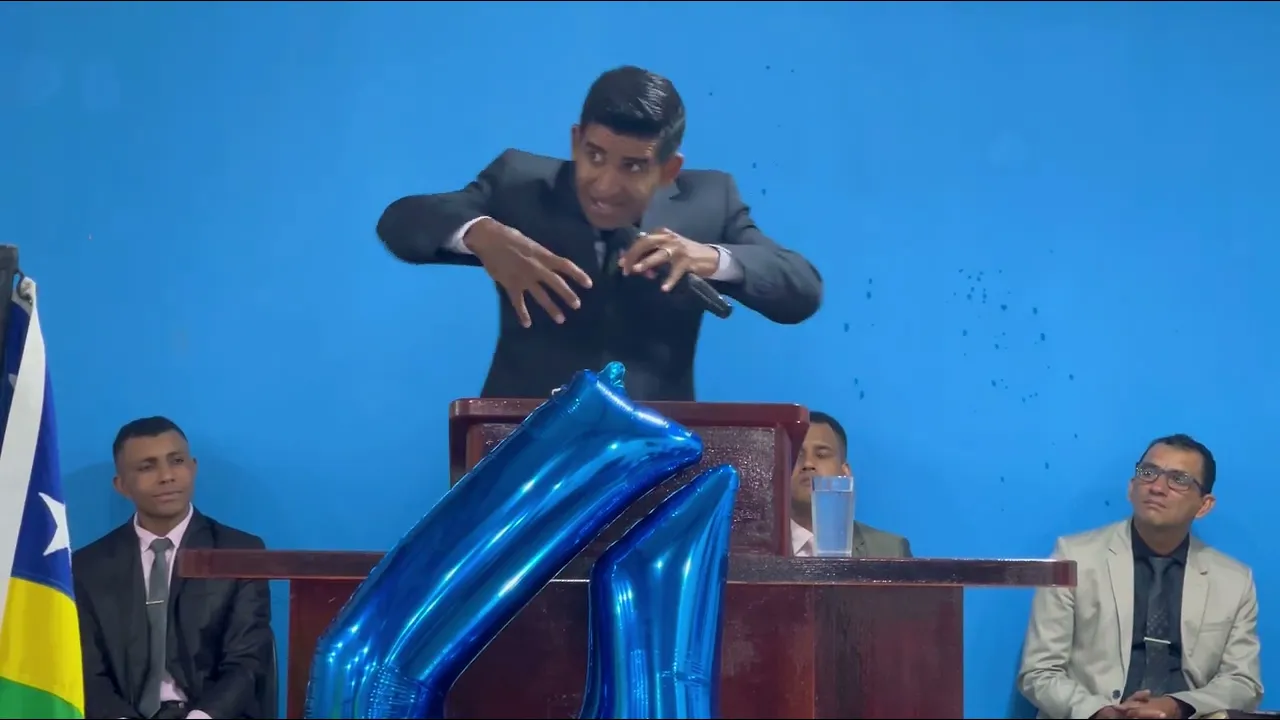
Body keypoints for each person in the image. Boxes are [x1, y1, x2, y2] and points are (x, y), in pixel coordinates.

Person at [376, 65, 823, 401]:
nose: (605, 185)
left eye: (633, 166)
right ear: (576, 141)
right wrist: (481, 233)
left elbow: (802, 289)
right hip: (520, 443)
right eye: (594, 156)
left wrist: (713, 258)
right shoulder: (519, 182)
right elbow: (400, 220)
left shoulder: (709, 200)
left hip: (654, 457)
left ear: (669, 169)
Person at [1018, 434, 1262, 719]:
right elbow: (1039, 672)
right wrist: (1099, 712)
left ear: (1204, 505)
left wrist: (1177, 706)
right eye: (1148, 473)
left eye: (1179, 479)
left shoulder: (1234, 580)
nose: (1157, 487)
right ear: (1131, 487)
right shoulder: (1073, 557)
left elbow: (1243, 682)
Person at [72, 417, 274, 719]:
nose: (166, 476)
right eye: (147, 467)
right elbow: (87, 669)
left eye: (176, 461)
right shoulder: (88, 566)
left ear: (193, 467)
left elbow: (247, 661)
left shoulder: (240, 552)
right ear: (122, 485)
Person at [790, 411, 911, 558]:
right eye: (797, 455)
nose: (808, 464)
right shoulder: (762, 551)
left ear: (845, 473)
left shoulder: (890, 551)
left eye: (821, 455)